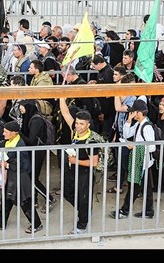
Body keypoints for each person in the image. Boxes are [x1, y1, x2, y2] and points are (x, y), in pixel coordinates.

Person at [0, 121, 42, 233]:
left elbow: (24, 165)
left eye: (5, 132)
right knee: (6, 199)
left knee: (24, 202)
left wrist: (7, 164)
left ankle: (37, 224)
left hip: (19, 179)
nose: (3, 134)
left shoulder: (20, 146)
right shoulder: (11, 141)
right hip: (12, 177)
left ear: (13, 133)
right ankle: (0, 222)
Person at [109, 99, 156, 219]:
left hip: (143, 163)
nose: (131, 114)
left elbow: (152, 147)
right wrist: (129, 121)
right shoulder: (139, 125)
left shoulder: (146, 127)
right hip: (141, 162)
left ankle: (125, 211)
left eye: (133, 112)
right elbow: (127, 134)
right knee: (145, 187)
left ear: (139, 113)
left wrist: (134, 147)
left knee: (134, 187)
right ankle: (148, 211)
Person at [59, 99, 99, 234]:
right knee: (67, 193)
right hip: (72, 170)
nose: (78, 126)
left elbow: (94, 163)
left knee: (83, 198)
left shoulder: (92, 140)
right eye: (76, 123)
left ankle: (81, 225)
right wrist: (61, 96)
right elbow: (65, 113)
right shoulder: (74, 132)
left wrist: (75, 161)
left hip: (85, 173)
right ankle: (85, 211)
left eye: (81, 124)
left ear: (88, 125)